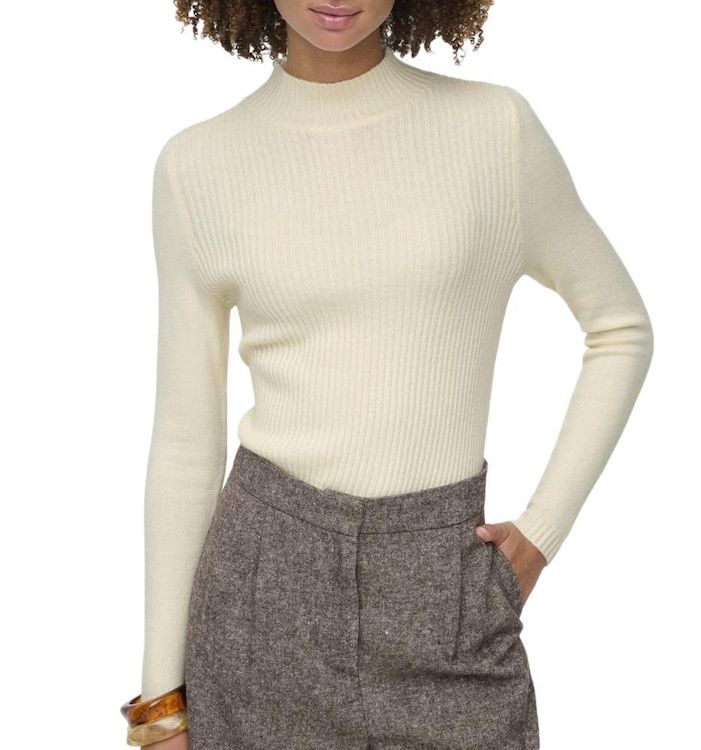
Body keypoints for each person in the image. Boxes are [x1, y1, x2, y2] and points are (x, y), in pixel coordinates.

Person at [120, 1, 654, 747]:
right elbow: (185, 442)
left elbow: (620, 327)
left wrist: (540, 535)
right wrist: (161, 703)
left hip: (446, 589)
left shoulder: (494, 131)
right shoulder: (196, 165)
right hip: (261, 600)